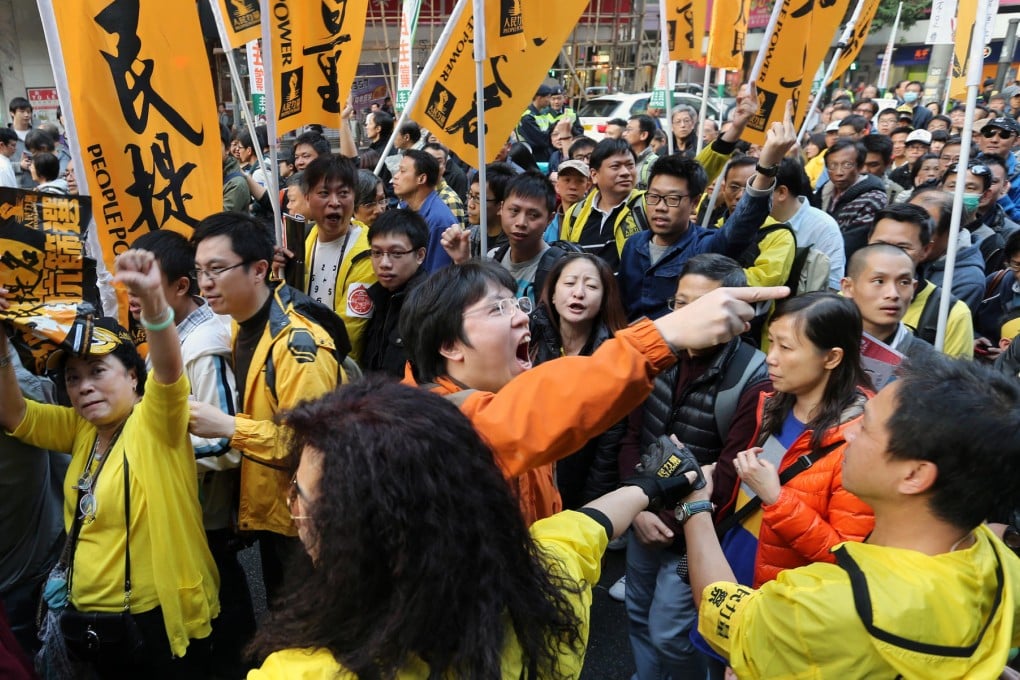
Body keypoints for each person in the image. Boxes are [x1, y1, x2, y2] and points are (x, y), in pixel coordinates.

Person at [245, 377, 704, 679]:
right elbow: (591, 524)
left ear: (361, 534)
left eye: (300, 496)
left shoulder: (305, 671)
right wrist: (651, 484)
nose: (291, 507)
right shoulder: (544, 588)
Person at [683, 356, 1020, 679]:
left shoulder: (826, 606)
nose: (848, 434)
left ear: (914, 475)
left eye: (866, 427)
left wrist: (695, 505)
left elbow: (724, 614)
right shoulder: (1000, 563)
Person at [399, 260, 789, 524]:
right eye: (497, 310)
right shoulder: (426, 425)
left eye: (515, 302)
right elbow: (525, 416)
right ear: (450, 345)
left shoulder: (502, 394)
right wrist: (666, 334)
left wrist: (644, 490)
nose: (521, 315)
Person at [0, 252, 218, 675]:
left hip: (152, 622)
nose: (84, 387)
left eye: (98, 371)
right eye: (73, 378)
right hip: (87, 625)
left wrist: (154, 302)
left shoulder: (156, 423)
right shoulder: (81, 429)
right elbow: (15, 415)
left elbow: (170, 374)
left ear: (133, 377)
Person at [620, 255, 770, 680]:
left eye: (704, 305)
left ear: (741, 317)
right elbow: (633, 435)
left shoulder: (753, 378)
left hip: (692, 533)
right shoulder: (658, 353)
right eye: (680, 304)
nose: (689, 316)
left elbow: (729, 474)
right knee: (636, 612)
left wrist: (662, 516)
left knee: (672, 633)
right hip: (644, 512)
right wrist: (639, 507)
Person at [188, 212, 343, 602]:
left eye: (218, 269)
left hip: (307, 522)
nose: (205, 282)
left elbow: (309, 447)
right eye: (200, 270)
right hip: (274, 513)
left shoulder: (297, 346)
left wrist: (226, 426)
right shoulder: (240, 323)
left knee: (307, 630)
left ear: (259, 270)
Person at [128, 230, 253, 677]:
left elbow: (225, 440)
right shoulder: (180, 334)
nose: (136, 299)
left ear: (182, 287)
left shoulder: (205, 347)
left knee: (223, 606)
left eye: (148, 287)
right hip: (191, 507)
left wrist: (160, 456)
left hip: (207, 512)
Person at [712, 292, 874, 598]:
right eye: (770, 341)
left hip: (780, 597)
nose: (770, 356)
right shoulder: (770, 403)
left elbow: (843, 558)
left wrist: (775, 497)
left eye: (785, 347)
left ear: (832, 357)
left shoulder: (859, 441)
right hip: (732, 563)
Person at [618, 100, 797, 321]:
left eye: (673, 199)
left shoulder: (705, 248)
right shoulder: (633, 245)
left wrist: (767, 167)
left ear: (694, 203)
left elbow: (743, 224)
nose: (661, 207)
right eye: (654, 197)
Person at [528, 254, 629, 508]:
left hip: (579, 489)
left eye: (592, 286)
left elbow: (608, 447)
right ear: (552, 293)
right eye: (570, 283)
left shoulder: (614, 356)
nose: (579, 293)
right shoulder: (528, 341)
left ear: (605, 299)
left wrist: (589, 509)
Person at [866, 203, 975, 359]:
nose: (888, 254)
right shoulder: (845, 300)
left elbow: (958, 381)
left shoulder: (950, 314)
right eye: (880, 244)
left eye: (902, 247)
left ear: (925, 250)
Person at [841, 243, 936, 365]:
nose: (893, 294)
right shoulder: (822, 343)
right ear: (848, 287)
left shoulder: (929, 363)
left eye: (903, 282)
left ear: (913, 288)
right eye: (879, 281)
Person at [361, 209, 429, 377]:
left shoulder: (428, 306)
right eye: (376, 253)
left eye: (396, 254)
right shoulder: (378, 297)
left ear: (420, 255)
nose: (384, 263)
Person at [815, 138, 889, 259]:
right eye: (832, 165)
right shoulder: (824, 192)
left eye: (847, 165)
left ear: (860, 167)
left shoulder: (873, 199)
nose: (839, 172)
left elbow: (852, 243)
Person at [392, 149, 457, 273]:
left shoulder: (438, 221)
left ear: (421, 179)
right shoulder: (405, 207)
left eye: (402, 171)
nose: (395, 176)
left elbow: (436, 276)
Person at [517, 85, 554, 162]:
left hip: (545, 156)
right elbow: (541, 141)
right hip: (534, 158)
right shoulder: (527, 117)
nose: (550, 100)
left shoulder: (543, 114)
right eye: (548, 97)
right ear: (539, 98)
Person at [624, 114, 659, 190]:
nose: (624, 134)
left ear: (643, 135)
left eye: (629, 130)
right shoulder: (623, 158)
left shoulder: (654, 163)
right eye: (625, 130)